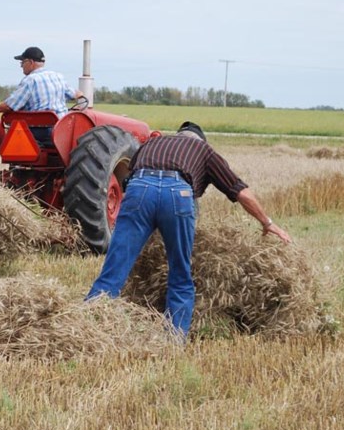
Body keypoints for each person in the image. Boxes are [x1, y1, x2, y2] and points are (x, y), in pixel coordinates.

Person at [86, 121, 292, 339]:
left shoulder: (154, 143)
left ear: (178, 135)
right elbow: (241, 192)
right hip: (177, 195)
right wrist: (267, 223)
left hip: (139, 189)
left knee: (114, 268)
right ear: (200, 140)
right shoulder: (203, 150)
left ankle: (89, 329)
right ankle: (174, 341)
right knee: (180, 275)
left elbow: (129, 180)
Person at [0, 46, 85, 117]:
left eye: (22, 62)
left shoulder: (30, 80)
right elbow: (74, 94)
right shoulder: (58, 77)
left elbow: (10, 105)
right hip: (62, 127)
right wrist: (81, 93)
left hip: (41, 130)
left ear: (31, 62)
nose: (21, 65)